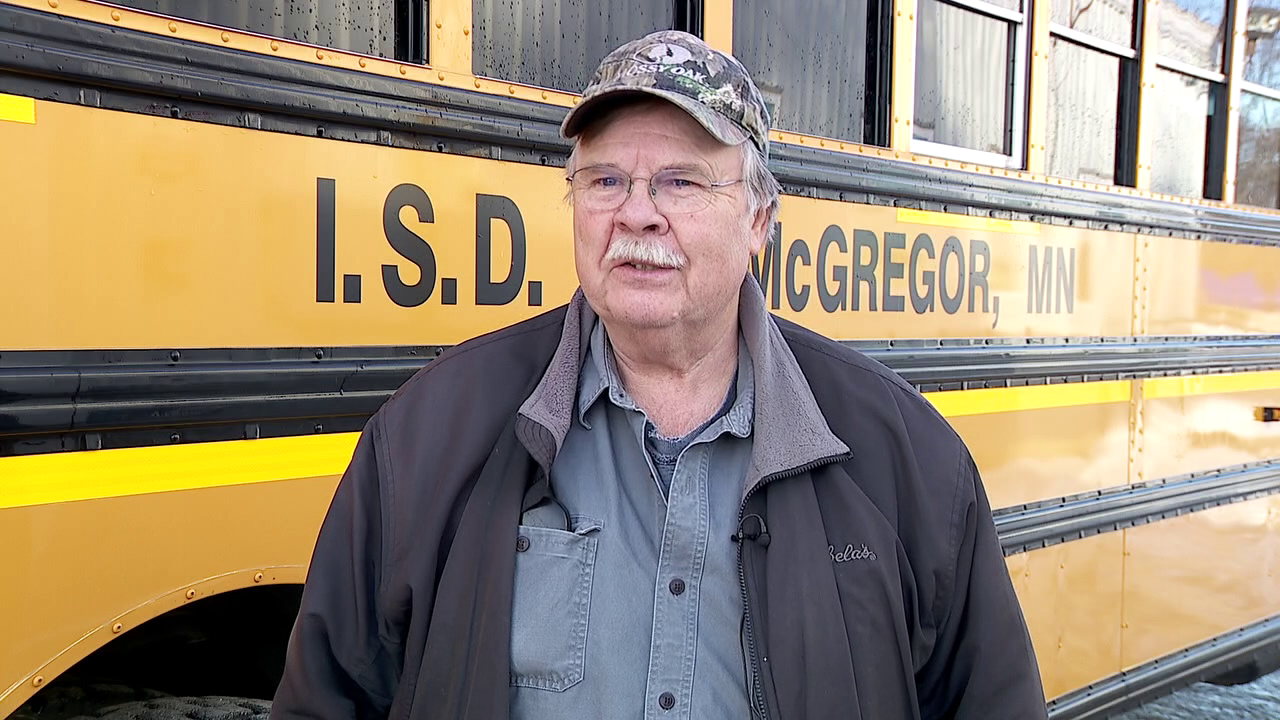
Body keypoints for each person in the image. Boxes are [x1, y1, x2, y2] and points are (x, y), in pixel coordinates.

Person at [270, 30, 1048, 720]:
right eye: (606, 180)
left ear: (758, 221)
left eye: (682, 181)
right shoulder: (429, 435)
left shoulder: (904, 461)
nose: (636, 213)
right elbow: (326, 700)